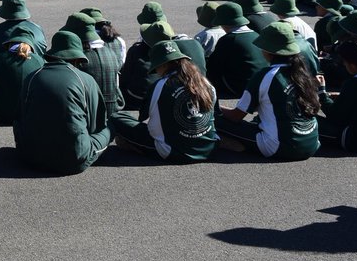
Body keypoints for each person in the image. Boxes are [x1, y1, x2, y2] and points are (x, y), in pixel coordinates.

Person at [217, 22, 321, 161]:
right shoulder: (303, 71)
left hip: (281, 147)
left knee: (216, 121)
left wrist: (214, 108)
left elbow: (236, 116)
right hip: (312, 144)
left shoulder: (265, 75)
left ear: (267, 50)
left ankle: (231, 144)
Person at [14, 31, 112, 174]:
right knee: (111, 126)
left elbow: (20, 117)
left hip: (30, 157)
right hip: (73, 160)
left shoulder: (32, 77)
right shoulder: (85, 79)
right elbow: (96, 125)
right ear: (77, 58)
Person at [109, 41, 218, 162]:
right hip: (209, 149)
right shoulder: (205, 82)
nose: (157, 73)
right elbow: (215, 115)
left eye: (156, 68)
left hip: (173, 152)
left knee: (116, 118)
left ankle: (131, 146)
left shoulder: (160, 85)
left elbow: (146, 122)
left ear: (164, 65)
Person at [319, 39, 357, 153]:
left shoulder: (354, 84)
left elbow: (335, 116)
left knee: (310, 122)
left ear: (351, 64)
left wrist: (322, 93)